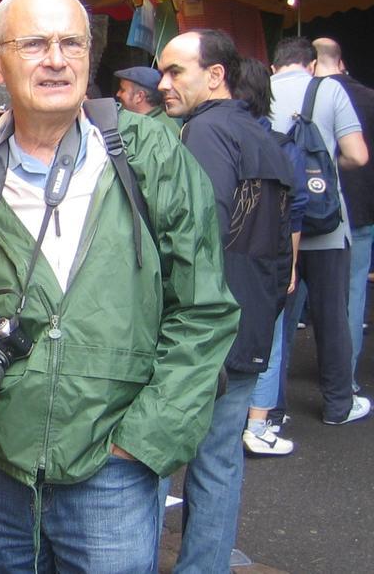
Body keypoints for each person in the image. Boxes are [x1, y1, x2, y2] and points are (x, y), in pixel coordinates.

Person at [0, 0, 237, 573]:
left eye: (71, 43)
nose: (56, 60)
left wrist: (144, 441)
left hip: (112, 469)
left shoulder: (149, 157)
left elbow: (203, 310)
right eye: (33, 43)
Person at [157, 30, 294, 571]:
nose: (164, 84)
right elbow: (282, 241)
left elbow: (199, 235)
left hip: (203, 329)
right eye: (162, 72)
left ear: (215, 76)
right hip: (250, 319)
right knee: (219, 461)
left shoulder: (205, 132)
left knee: (154, 456)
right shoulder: (264, 136)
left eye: (176, 72)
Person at [269, 36, 370, 425]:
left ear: (276, 65)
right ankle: (337, 405)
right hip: (327, 223)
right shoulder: (329, 90)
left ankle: (271, 411)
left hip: (277, 225)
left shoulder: (261, 90)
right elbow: (358, 154)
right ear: (311, 65)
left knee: (278, 321)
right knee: (332, 317)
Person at [231, 56, 306, 457]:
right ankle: (257, 425)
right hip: (265, 261)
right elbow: (295, 212)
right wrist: (290, 265)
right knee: (270, 337)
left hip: (229, 261)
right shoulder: (282, 145)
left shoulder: (207, 135)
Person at [314, 37, 374, 395]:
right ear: (341, 60)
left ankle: (271, 399)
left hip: (312, 211)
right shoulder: (368, 96)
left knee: (296, 297)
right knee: (351, 294)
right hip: (362, 207)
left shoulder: (307, 97)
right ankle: (344, 383)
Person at [113, 65, 181, 135]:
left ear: (139, 96)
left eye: (122, 90)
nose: (118, 94)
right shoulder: (152, 122)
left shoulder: (153, 131)